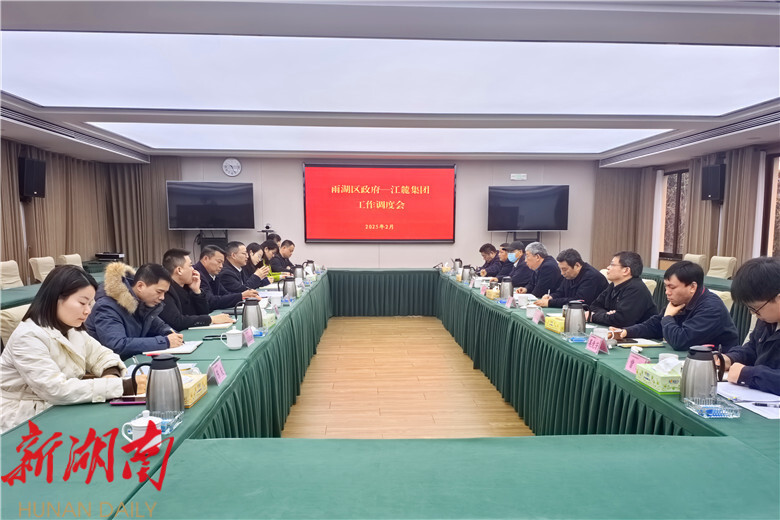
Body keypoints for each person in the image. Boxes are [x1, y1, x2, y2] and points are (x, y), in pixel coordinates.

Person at [0, 265, 145, 432]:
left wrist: (111, 377)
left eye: (90, 303)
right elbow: (55, 389)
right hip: (23, 419)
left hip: (60, 407)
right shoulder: (28, 337)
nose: (88, 311)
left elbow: (102, 355)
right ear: (56, 298)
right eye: (82, 303)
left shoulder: (71, 329)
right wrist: (122, 386)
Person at [610, 261, 739, 351]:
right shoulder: (681, 300)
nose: (667, 292)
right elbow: (655, 325)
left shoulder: (711, 308)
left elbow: (680, 341)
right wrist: (626, 332)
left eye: (672, 287)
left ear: (692, 287)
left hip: (715, 366)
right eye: (666, 287)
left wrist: (667, 317)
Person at [85, 263, 183, 360]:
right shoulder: (107, 307)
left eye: (164, 293)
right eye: (159, 292)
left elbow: (160, 326)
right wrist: (165, 342)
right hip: (108, 365)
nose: (162, 297)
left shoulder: (142, 304)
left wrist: (172, 334)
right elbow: (117, 345)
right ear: (140, 286)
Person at [716, 257, 780, 395]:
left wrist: (748, 374)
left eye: (756, 308)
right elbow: (752, 348)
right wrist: (730, 358)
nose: (753, 314)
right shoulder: (767, 320)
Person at [159, 248, 234, 331]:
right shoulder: (164, 290)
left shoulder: (188, 286)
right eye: (190, 266)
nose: (193, 269)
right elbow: (177, 321)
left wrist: (197, 291)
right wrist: (211, 319)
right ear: (179, 270)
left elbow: (205, 312)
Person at [588, 251, 657, 327]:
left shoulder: (636, 289)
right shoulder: (614, 285)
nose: (608, 267)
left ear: (626, 270)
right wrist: (607, 314)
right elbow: (594, 306)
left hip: (640, 334)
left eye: (612, 265)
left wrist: (593, 316)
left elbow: (621, 321)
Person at [535, 248, 608, 308]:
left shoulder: (591, 276)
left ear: (577, 265)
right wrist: (551, 297)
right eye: (560, 269)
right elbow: (561, 292)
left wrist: (550, 303)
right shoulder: (570, 275)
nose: (562, 273)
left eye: (564, 269)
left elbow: (580, 301)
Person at [194, 245, 258, 311]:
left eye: (222, 263)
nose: (221, 266)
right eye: (219, 262)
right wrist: (241, 296)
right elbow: (211, 301)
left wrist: (243, 296)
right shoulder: (197, 275)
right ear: (205, 259)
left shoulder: (213, 274)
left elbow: (224, 293)